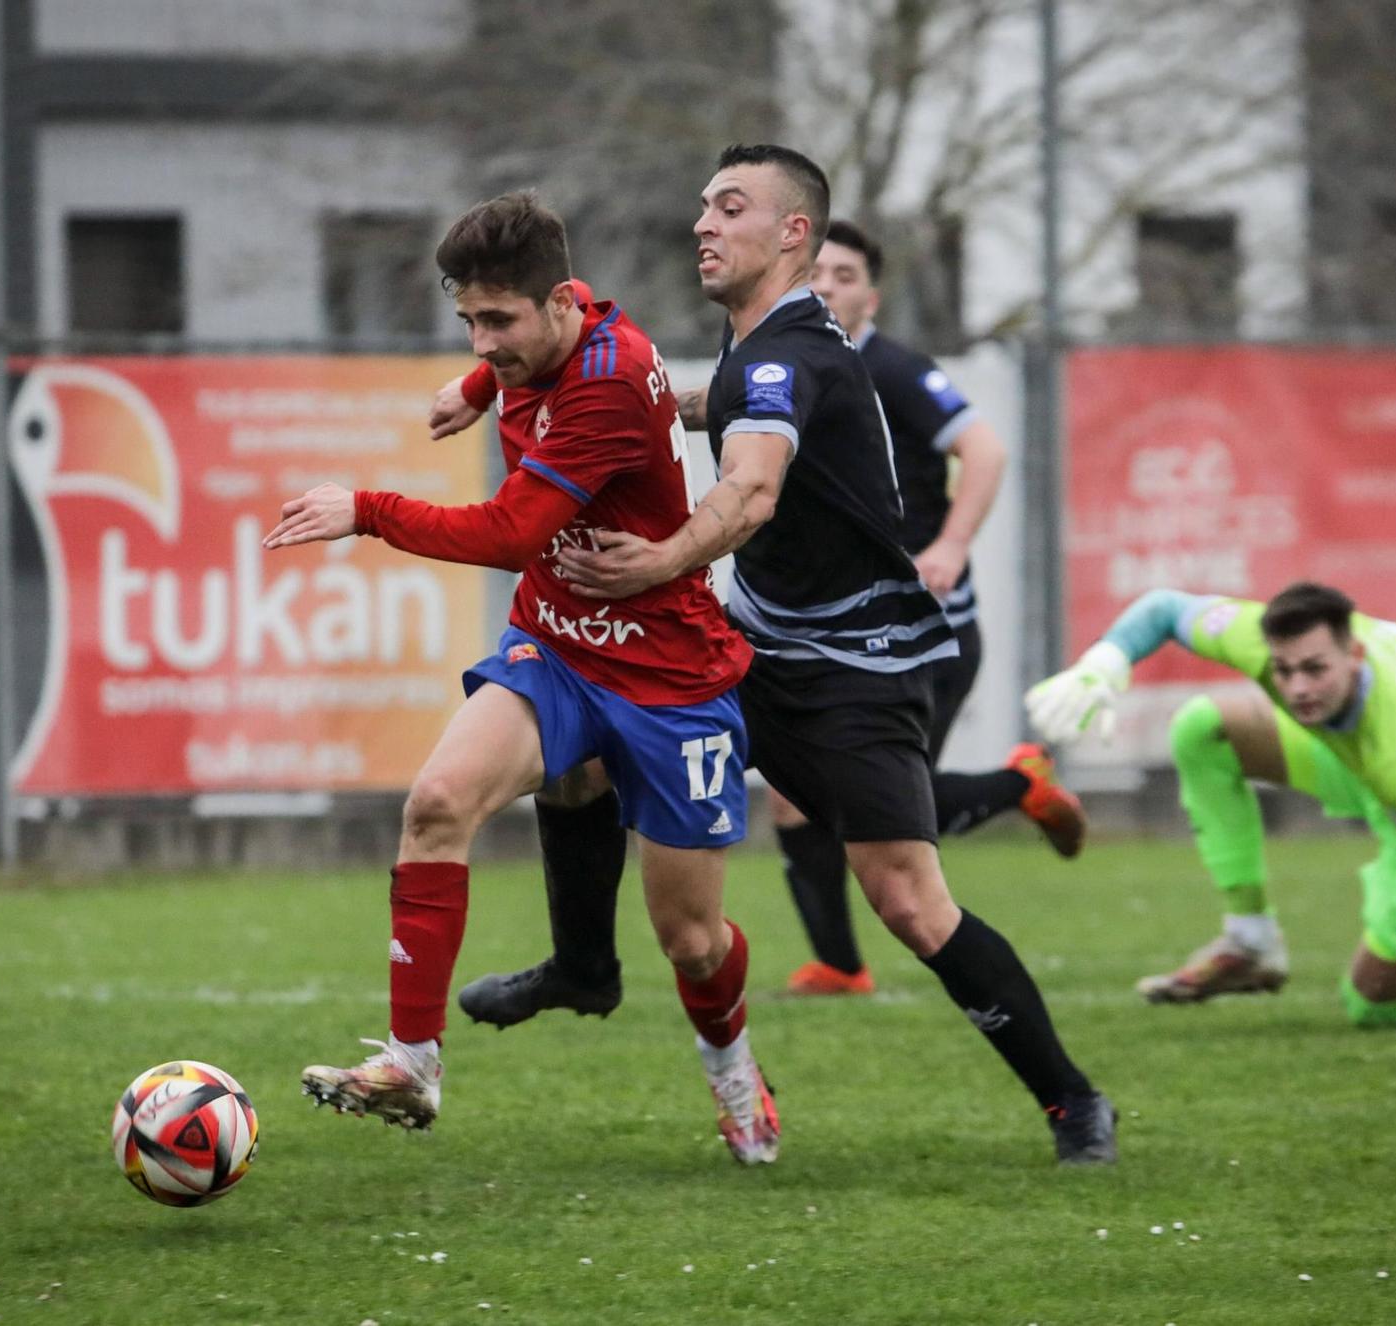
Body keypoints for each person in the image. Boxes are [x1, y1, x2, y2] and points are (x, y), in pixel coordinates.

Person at [461, 144, 1117, 1165]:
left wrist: (662, 559)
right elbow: (668, 390)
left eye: (729, 207)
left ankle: (1071, 1101)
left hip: (860, 674)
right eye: (701, 206)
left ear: (793, 235)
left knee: (904, 897)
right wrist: (499, 374)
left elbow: (750, 491)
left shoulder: (785, 355)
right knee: (580, 735)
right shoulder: (758, 349)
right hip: (756, 651)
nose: (702, 225)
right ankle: (582, 967)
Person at [263, 192, 781, 1164]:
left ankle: (733, 1070)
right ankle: (412, 1062)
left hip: (669, 671)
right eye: (467, 320)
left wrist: (364, 507)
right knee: (437, 803)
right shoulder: (559, 317)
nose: (483, 338)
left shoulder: (607, 383)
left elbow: (507, 532)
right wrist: (477, 383)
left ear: (555, 309)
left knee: (691, 940)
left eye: (497, 323)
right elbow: (535, 332)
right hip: (557, 645)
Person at [1026, 582, 1396, 1042]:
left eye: (1315, 670)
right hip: (1354, 756)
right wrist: (1105, 663)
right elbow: (1166, 608)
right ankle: (1250, 938)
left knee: (1372, 1003)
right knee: (1203, 729)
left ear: (1356, 656)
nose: (1297, 689)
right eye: (1285, 670)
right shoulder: (1269, 644)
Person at [768, 218, 1083, 997]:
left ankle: (1021, 784)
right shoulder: (795, 364)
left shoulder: (895, 369)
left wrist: (948, 544)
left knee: (882, 810)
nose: (829, 288)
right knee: (793, 793)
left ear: (870, 297)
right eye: (818, 274)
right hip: (842, 632)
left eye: (845, 276)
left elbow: (986, 450)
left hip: (923, 633)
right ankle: (840, 965)